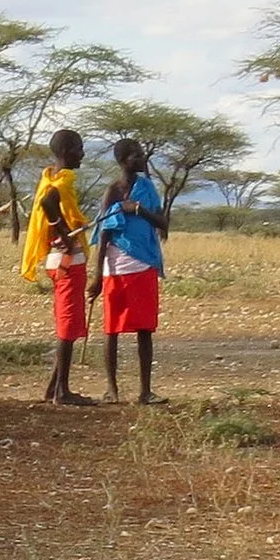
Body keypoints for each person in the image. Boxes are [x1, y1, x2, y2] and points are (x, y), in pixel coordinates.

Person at [89, 138, 169, 405]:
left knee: (145, 329)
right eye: (137, 155)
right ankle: (112, 389)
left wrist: (137, 209)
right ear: (124, 160)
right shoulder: (112, 191)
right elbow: (103, 234)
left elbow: (162, 222)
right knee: (111, 330)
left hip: (144, 264)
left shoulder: (147, 188)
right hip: (115, 267)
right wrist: (97, 277)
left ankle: (146, 391)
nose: (143, 158)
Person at [26, 129, 95, 406]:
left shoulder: (51, 177)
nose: (82, 154)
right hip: (66, 261)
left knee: (69, 321)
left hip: (61, 262)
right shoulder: (61, 181)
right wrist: (64, 233)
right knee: (67, 326)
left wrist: (62, 230)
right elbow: (48, 203)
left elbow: (48, 202)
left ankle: (54, 387)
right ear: (67, 152)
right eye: (79, 148)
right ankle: (62, 392)